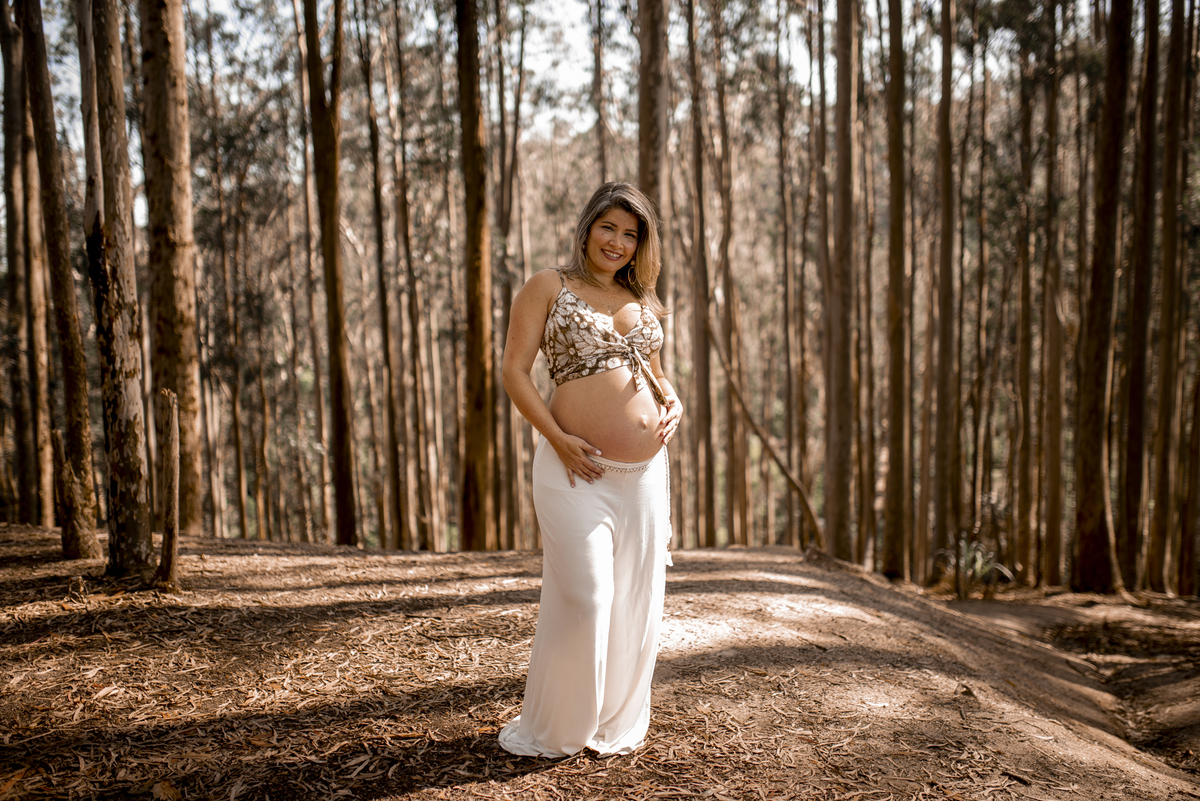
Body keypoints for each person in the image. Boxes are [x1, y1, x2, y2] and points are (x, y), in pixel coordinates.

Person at [498, 182, 682, 758]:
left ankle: (615, 723)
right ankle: (560, 728)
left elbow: (654, 372)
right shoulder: (548, 287)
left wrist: (674, 401)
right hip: (573, 469)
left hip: (647, 476)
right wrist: (558, 438)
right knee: (586, 597)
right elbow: (514, 371)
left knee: (638, 599)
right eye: (609, 227)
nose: (618, 242)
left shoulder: (645, 301)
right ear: (587, 227)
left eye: (632, 234)